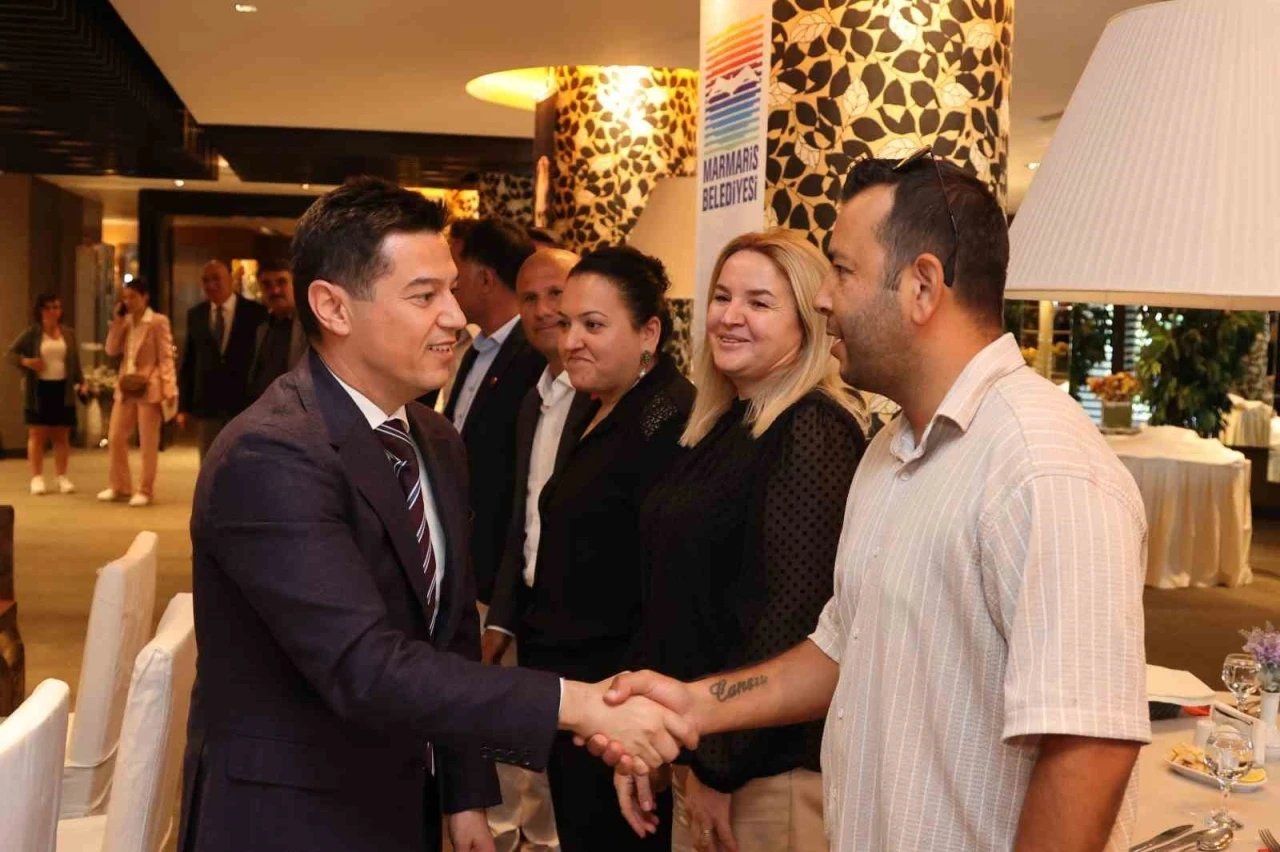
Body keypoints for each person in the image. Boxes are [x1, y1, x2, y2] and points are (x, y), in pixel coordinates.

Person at [602, 153, 1151, 852]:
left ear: (921, 286)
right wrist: (695, 704)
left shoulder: (1043, 467)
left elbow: (1090, 747)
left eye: (842, 270)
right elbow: (841, 645)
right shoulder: (890, 449)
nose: (823, 298)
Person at [179, 177, 696, 852]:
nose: (457, 317)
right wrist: (579, 704)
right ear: (333, 307)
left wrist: (463, 793)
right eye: (424, 296)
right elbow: (366, 666)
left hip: (402, 801)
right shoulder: (271, 455)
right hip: (292, 816)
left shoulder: (433, 438)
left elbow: (448, 632)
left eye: (452, 290)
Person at [626, 230, 866, 852]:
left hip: (764, 771)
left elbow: (793, 619)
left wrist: (720, 765)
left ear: (807, 323)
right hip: (706, 748)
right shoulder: (722, 422)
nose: (730, 316)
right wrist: (660, 735)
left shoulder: (811, 427)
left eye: (759, 303)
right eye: (722, 296)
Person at [515, 246, 695, 852]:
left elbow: (668, 588)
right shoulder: (597, 405)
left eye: (593, 325)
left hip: (621, 713)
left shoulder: (667, 421)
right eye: (567, 323)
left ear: (649, 334)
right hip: (578, 700)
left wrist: (636, 727)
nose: (571, 341)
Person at [481, 248, 583, 852]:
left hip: (587, 634)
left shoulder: (607, 397)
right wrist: (501, 615)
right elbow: (521, 521)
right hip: (530, 615)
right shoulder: (534, 400)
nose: (544, 310)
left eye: (557, 293)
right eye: (530, 298)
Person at [430, 218, 545, 605]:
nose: (452, 285)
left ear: (484, 279)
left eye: (457, 271)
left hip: (499, 574)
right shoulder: (474, 350)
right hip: (463, 561)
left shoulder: (533, 358)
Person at [98, 279, 178, 507]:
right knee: (115, 436)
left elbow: (165, 356)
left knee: (147, 441)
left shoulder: (157, 321)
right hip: (126, 385)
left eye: (133, 296)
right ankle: (120, 485)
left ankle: (145, 489)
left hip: (149, 385)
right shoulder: (125, 322)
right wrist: (117, 322)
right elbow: (111, 350)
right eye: (125, 297)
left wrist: (169, 387)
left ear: (145, 297)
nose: (128, 301)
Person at [176, 259, 268, 458]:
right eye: (205, 280)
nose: (211, 285)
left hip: (244, 404)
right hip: (207, 405)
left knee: (242, 461)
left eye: (216, 278)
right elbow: (189, 361)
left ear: (231, 279)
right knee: (210, 462)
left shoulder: (255, 312)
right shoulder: (196, 314)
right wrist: (183, 406)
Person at [7, 293, 86, 495]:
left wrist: (81, 382)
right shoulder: (32, 333)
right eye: (48, 307)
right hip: (39, 389)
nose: (53, 311)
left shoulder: (68, 334)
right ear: (41, 310)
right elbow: (11, 354)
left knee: (62, 435)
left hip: (62, 388)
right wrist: (27, 362)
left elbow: (75, 362)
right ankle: (37, 477)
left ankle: (62, 476)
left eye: (56, 307)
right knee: (37, 434)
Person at [247, 256, 307, 401]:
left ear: (295, 284)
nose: (274, 290)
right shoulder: (262, 327)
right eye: (266, 284)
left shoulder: (311, 326)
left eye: (281, 282)